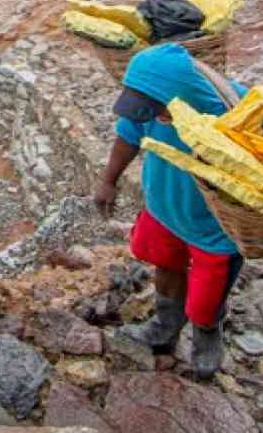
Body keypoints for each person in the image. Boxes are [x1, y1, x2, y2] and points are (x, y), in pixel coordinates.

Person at [92, 42, 245, 379]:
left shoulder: (235, 111)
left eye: (157, 109)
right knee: (166, 266)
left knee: (207, 298)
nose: (153, 116)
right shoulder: (151, 105)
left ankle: (207, 337)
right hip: (165, 210)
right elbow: (128, 136)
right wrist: (109, 179)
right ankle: (165, 326)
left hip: (214, 228)